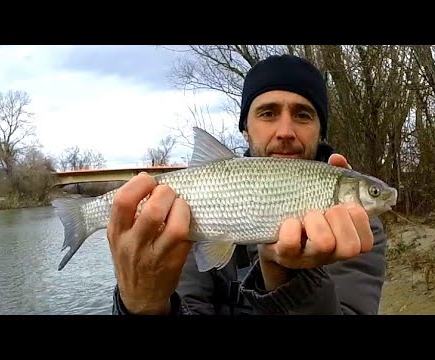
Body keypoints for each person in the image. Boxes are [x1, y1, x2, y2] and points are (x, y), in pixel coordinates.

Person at [108, 54, 388, 315]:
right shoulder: (186, 208)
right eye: (268, 113)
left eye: (303, 114)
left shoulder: (359, 226)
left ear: (321, 130)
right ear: (245, 129)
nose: (285, 132)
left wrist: (289, 277)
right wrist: (143, 306)